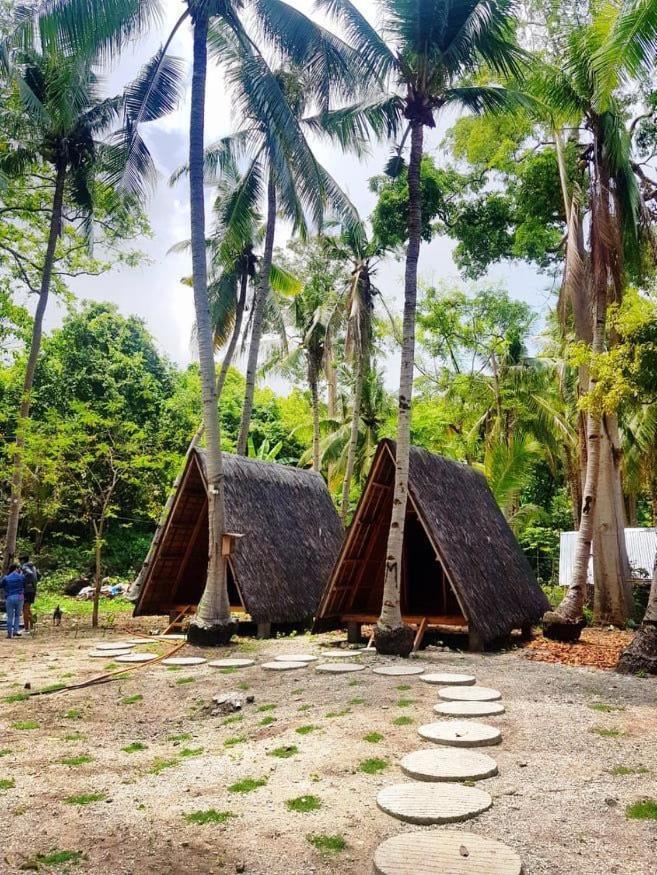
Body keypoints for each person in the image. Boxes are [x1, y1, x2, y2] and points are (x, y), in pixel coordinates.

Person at [1, 564, 25, 639]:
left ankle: (9, 633)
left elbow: (1, 585)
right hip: (20, 596)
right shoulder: (21, 577)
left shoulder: (6, 578)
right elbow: (25, 585)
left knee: (10, 616)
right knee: (18, 615)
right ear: (16, 569)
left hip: (9, 597)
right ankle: (15, 631)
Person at [19, 555, 39, 633]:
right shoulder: (33, 566)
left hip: (25, 591)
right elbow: (38, 575)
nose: (19, 562)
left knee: (24, 608)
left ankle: (26, 629)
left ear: (23, 560)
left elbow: (29, 574)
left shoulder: (24, 566)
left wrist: (24, 581)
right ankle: (31, 626)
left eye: (20, 561)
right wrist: (33, 584)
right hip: (32, 590)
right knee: (27, 608)